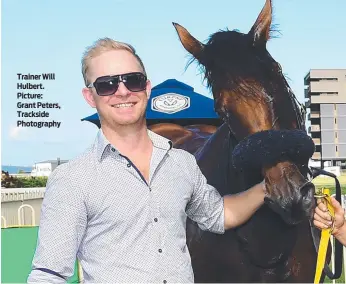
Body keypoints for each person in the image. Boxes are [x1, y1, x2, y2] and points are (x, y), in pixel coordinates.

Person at [27, 37, 266, 283]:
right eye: (107, 84)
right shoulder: (72, 180)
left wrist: (267, 187)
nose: (123, 91)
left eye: (133, 80)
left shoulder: (182, 163)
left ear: (147, 88)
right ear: (90, 96)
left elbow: (218, 215)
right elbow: (48, 274)